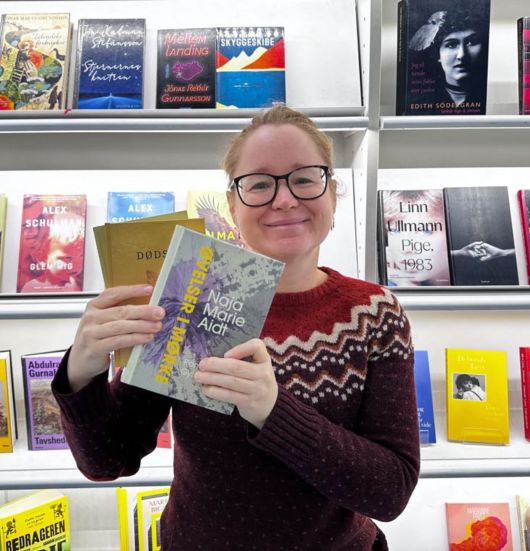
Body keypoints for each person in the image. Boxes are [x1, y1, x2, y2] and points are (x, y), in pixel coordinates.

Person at [52, 106, 420, 550]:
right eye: (260, 184)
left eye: (304, 178)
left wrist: (272, 410)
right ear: (232, 205)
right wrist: (81, 369)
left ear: (333, 193)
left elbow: (391, 491)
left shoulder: (373, 312)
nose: (284, 199)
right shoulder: (192, 295)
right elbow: (108, 458)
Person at [432, 11, 488, 109]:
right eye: (451, 45)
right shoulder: (421, 101)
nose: (461, 55)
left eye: (471, 42)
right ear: (438, 54)